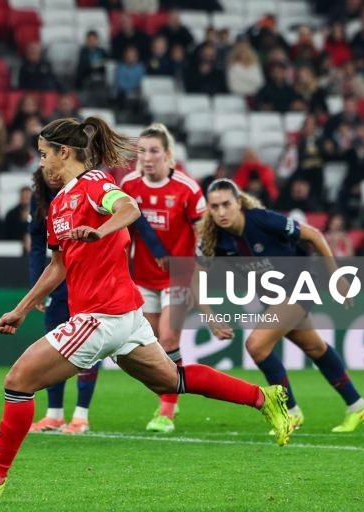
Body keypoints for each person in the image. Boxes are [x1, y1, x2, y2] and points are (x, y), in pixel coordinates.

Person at [0, 117, 291, 501]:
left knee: (17, 382)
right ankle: (263, 397)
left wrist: (101, 230)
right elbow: (58, 265)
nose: (41, 164)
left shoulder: (95, 185)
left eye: (45, 155)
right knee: (171, 380)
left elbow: (128, 209)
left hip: (102, 317)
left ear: (65, 152)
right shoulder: (59, 203)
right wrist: (22, 308)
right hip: (125, 317)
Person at [199, 178, 364, 435]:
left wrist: (337, 277)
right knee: (314, 347)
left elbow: (314, 235)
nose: (221, 212)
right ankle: (357, 406)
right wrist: (210, 317)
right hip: (274, 296)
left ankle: (290, 412)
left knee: (256, 345)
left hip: (301, 284)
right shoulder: (216, 239)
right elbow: (195, 278)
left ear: (239, 203)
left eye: (226, 204)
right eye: (214, 207)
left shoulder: (263, 219)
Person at [120, 123, 205, 433]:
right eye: (141, 151)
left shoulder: (187, 188)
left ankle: (167, 409)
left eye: (154, 151)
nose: (147, 157)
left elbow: (203, 231)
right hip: (142, 277)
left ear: (168, 155)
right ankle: (170, 397)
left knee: (169, 338)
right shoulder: (129, 185)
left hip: (178, 277)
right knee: (155, 345)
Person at [27, 167, 100, 435]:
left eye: (50, 157)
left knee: (89, 346)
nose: (48, 167)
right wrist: (37, 287)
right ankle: (54, 414)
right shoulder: (39, 198)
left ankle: (81, 415)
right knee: (54, 345)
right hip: (58, 281)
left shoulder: (87, 189)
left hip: (89, 280)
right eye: (43, 159)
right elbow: (36, 245)